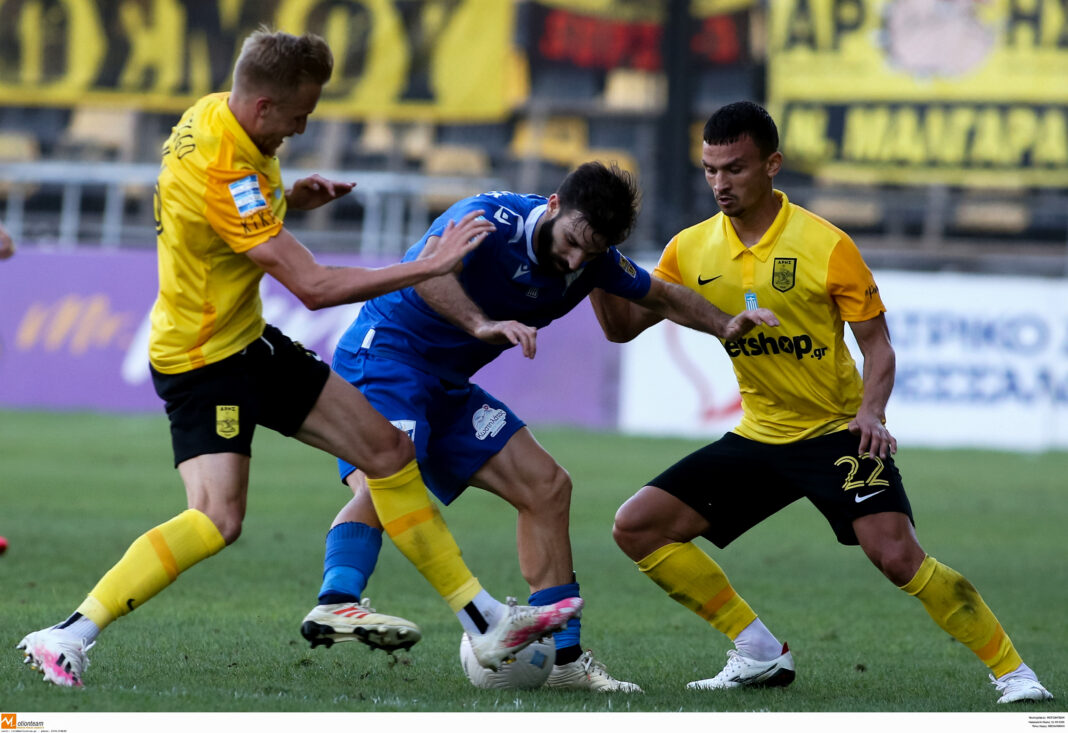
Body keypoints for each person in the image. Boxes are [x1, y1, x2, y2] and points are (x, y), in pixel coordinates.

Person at [15, 28, 581, 689]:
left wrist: (286, 200)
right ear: (262, 106)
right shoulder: (228, 168)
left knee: (389, 453)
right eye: (298, 114)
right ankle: (68, 633)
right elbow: (312, 286)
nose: (302, 127)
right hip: (202, 362)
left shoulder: (214, 114)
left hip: (248, 341)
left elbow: (228, 209)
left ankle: (482, 619)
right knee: (217, 518)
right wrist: (427, 265)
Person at [595, 101, 1054, 704]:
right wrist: (596, 260)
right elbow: (622, 327)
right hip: (759, 436)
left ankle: (1016, 674)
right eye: (710, 170)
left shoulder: (827, 245)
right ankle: (758, 651)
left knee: (898, 557)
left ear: (772, 165)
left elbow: (879, 348)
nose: (720, 183)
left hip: (837, 433)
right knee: (638, 527)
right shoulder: (690, 249)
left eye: (734, 168)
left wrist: (871, 413)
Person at [297, 160, 779, 692]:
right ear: (553, 204)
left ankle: (565, 662)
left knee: (547, 488)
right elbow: (432, 270)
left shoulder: (593, 260)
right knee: (389, 481)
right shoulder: (486, 219)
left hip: (447, 386)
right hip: (386, 355)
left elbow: (661, 295)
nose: (574, 261)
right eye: (572, 241)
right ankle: (336, 602)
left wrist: (724, 324)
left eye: (590, 253)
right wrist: (480, 324)